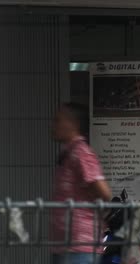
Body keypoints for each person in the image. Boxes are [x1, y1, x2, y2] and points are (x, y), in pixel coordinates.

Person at [51, 103, 112, 264]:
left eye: (58, 120)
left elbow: (104, 192)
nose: (54, 125)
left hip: (79, 245)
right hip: (66, 244)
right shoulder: (69, 152)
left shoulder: (81, 152)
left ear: (73, 124)